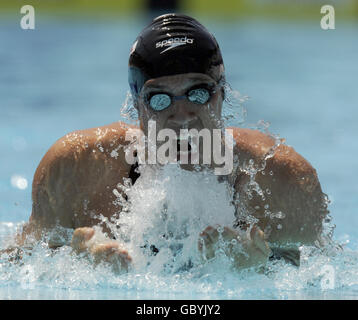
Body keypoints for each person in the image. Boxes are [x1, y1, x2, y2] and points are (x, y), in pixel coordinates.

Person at [6, 13, 328, 272]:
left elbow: (328, 274)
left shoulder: (281, 180)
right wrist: (76, 266)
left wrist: (260, 272)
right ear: (137, 108)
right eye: (159, 99)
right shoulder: (76, 172)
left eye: (198, 93)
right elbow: (15, 264)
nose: (182, 115)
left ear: (222, 95)